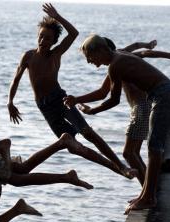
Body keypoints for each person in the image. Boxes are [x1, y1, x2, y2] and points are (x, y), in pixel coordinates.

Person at [7, 3, 136, 179]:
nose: (43, 41)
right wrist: (10, 102)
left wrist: (57, 16)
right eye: (41, 37)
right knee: (72, 146)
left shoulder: (56, 54)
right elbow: (16, 79)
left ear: (54, 42)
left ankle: (121, 166)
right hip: (44, 107)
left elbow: (74, 33)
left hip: (60, 100)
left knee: (88, 134)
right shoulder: (28, 56)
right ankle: (115, 168)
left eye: (48, 39)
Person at [73, 34, 170, 213]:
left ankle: (149, 197)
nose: (89, 62)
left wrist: (93, 111)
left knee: (154, 148)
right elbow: (104, 92)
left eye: (89, 57)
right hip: (163, 94)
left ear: (100, 50)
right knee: (151, 149)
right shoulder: (120, 57)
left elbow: (113, 100)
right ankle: (146, 195)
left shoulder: (116, 65)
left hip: (164, 96)